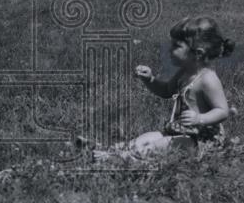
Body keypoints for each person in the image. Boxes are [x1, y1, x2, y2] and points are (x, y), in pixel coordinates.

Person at [93, 16, 235, 160]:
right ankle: (111, 149)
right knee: (146, 137)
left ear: (198, 53)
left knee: (158, 145)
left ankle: (120, 158)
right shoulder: (184, 73)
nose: (169, 49)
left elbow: (222, 111)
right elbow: (166, 91)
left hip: (201, 140)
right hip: (179, 132)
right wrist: (150, 80)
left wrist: (200, 118)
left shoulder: (208, 79)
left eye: (176, 46)